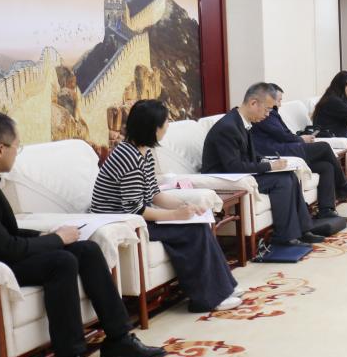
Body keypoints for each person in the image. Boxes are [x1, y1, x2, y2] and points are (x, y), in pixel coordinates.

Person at [0, 110, 166, 357]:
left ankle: (119, 338)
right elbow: (5, 247)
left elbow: (4, 232)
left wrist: (46, 235)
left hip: (1, 253)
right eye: (16, 147)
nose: (17, 153)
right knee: (61, 262)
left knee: (87, 250)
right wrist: (56, 240)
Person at [91, 99, 242, 313]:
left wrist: (187, 205)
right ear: (153, 128)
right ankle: (208, 299)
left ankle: (224, 288)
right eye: (165, 123)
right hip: (123, 222)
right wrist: (176, 215)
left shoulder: (143, 152)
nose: (168, 126)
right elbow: (135, 209)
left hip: (137, 215)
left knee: (199, 222)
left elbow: (154, 194)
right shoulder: (127, 157)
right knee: (194, 230)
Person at [203, 83, 323, 246]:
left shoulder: (241, 122)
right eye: (267, 109)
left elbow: (249, 156)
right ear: (253, 103)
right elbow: (233, 167)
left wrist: (269, 161)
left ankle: (303, 230)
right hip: (227, 179)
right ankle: (285, 237)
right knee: (281, 181)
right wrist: (269, 167)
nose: (267, 115)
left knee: (290, 176)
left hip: (241, 174)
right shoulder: (227, 127)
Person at [252, 84, 347, 217]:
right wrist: (301, 139)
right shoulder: (266, 113)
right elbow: (282, 135)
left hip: (287, 147)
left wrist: (300, 138)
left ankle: (326, 209)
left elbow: (284, 134)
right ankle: (343, 185)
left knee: (326, 166)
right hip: (279, 151)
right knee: (324, 147)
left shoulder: (272, 112)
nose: (280, 104)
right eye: (278, 100)